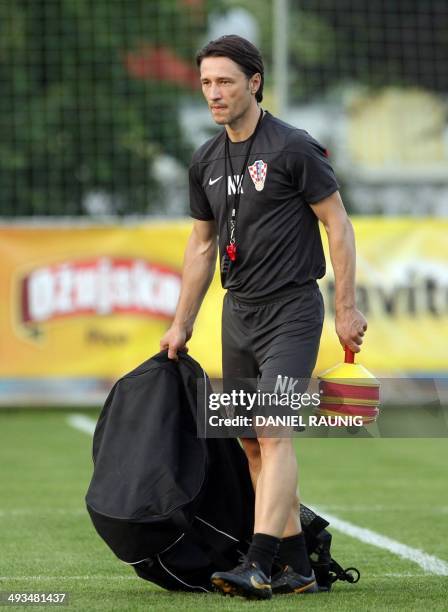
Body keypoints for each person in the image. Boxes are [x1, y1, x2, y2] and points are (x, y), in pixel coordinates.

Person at [160, 34, 367, 600]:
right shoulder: (205, 159)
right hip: (238, 313)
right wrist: (181, 323)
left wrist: (346, 307)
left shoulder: (295, 147)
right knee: (251, 441)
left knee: (274, 432)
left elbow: (338, 226)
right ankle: (298, 566)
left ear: (254, 82)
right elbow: (202, 247)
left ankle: (259, 562)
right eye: (205, 82)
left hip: (293, 310)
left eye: (224, 81)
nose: (214, 93)